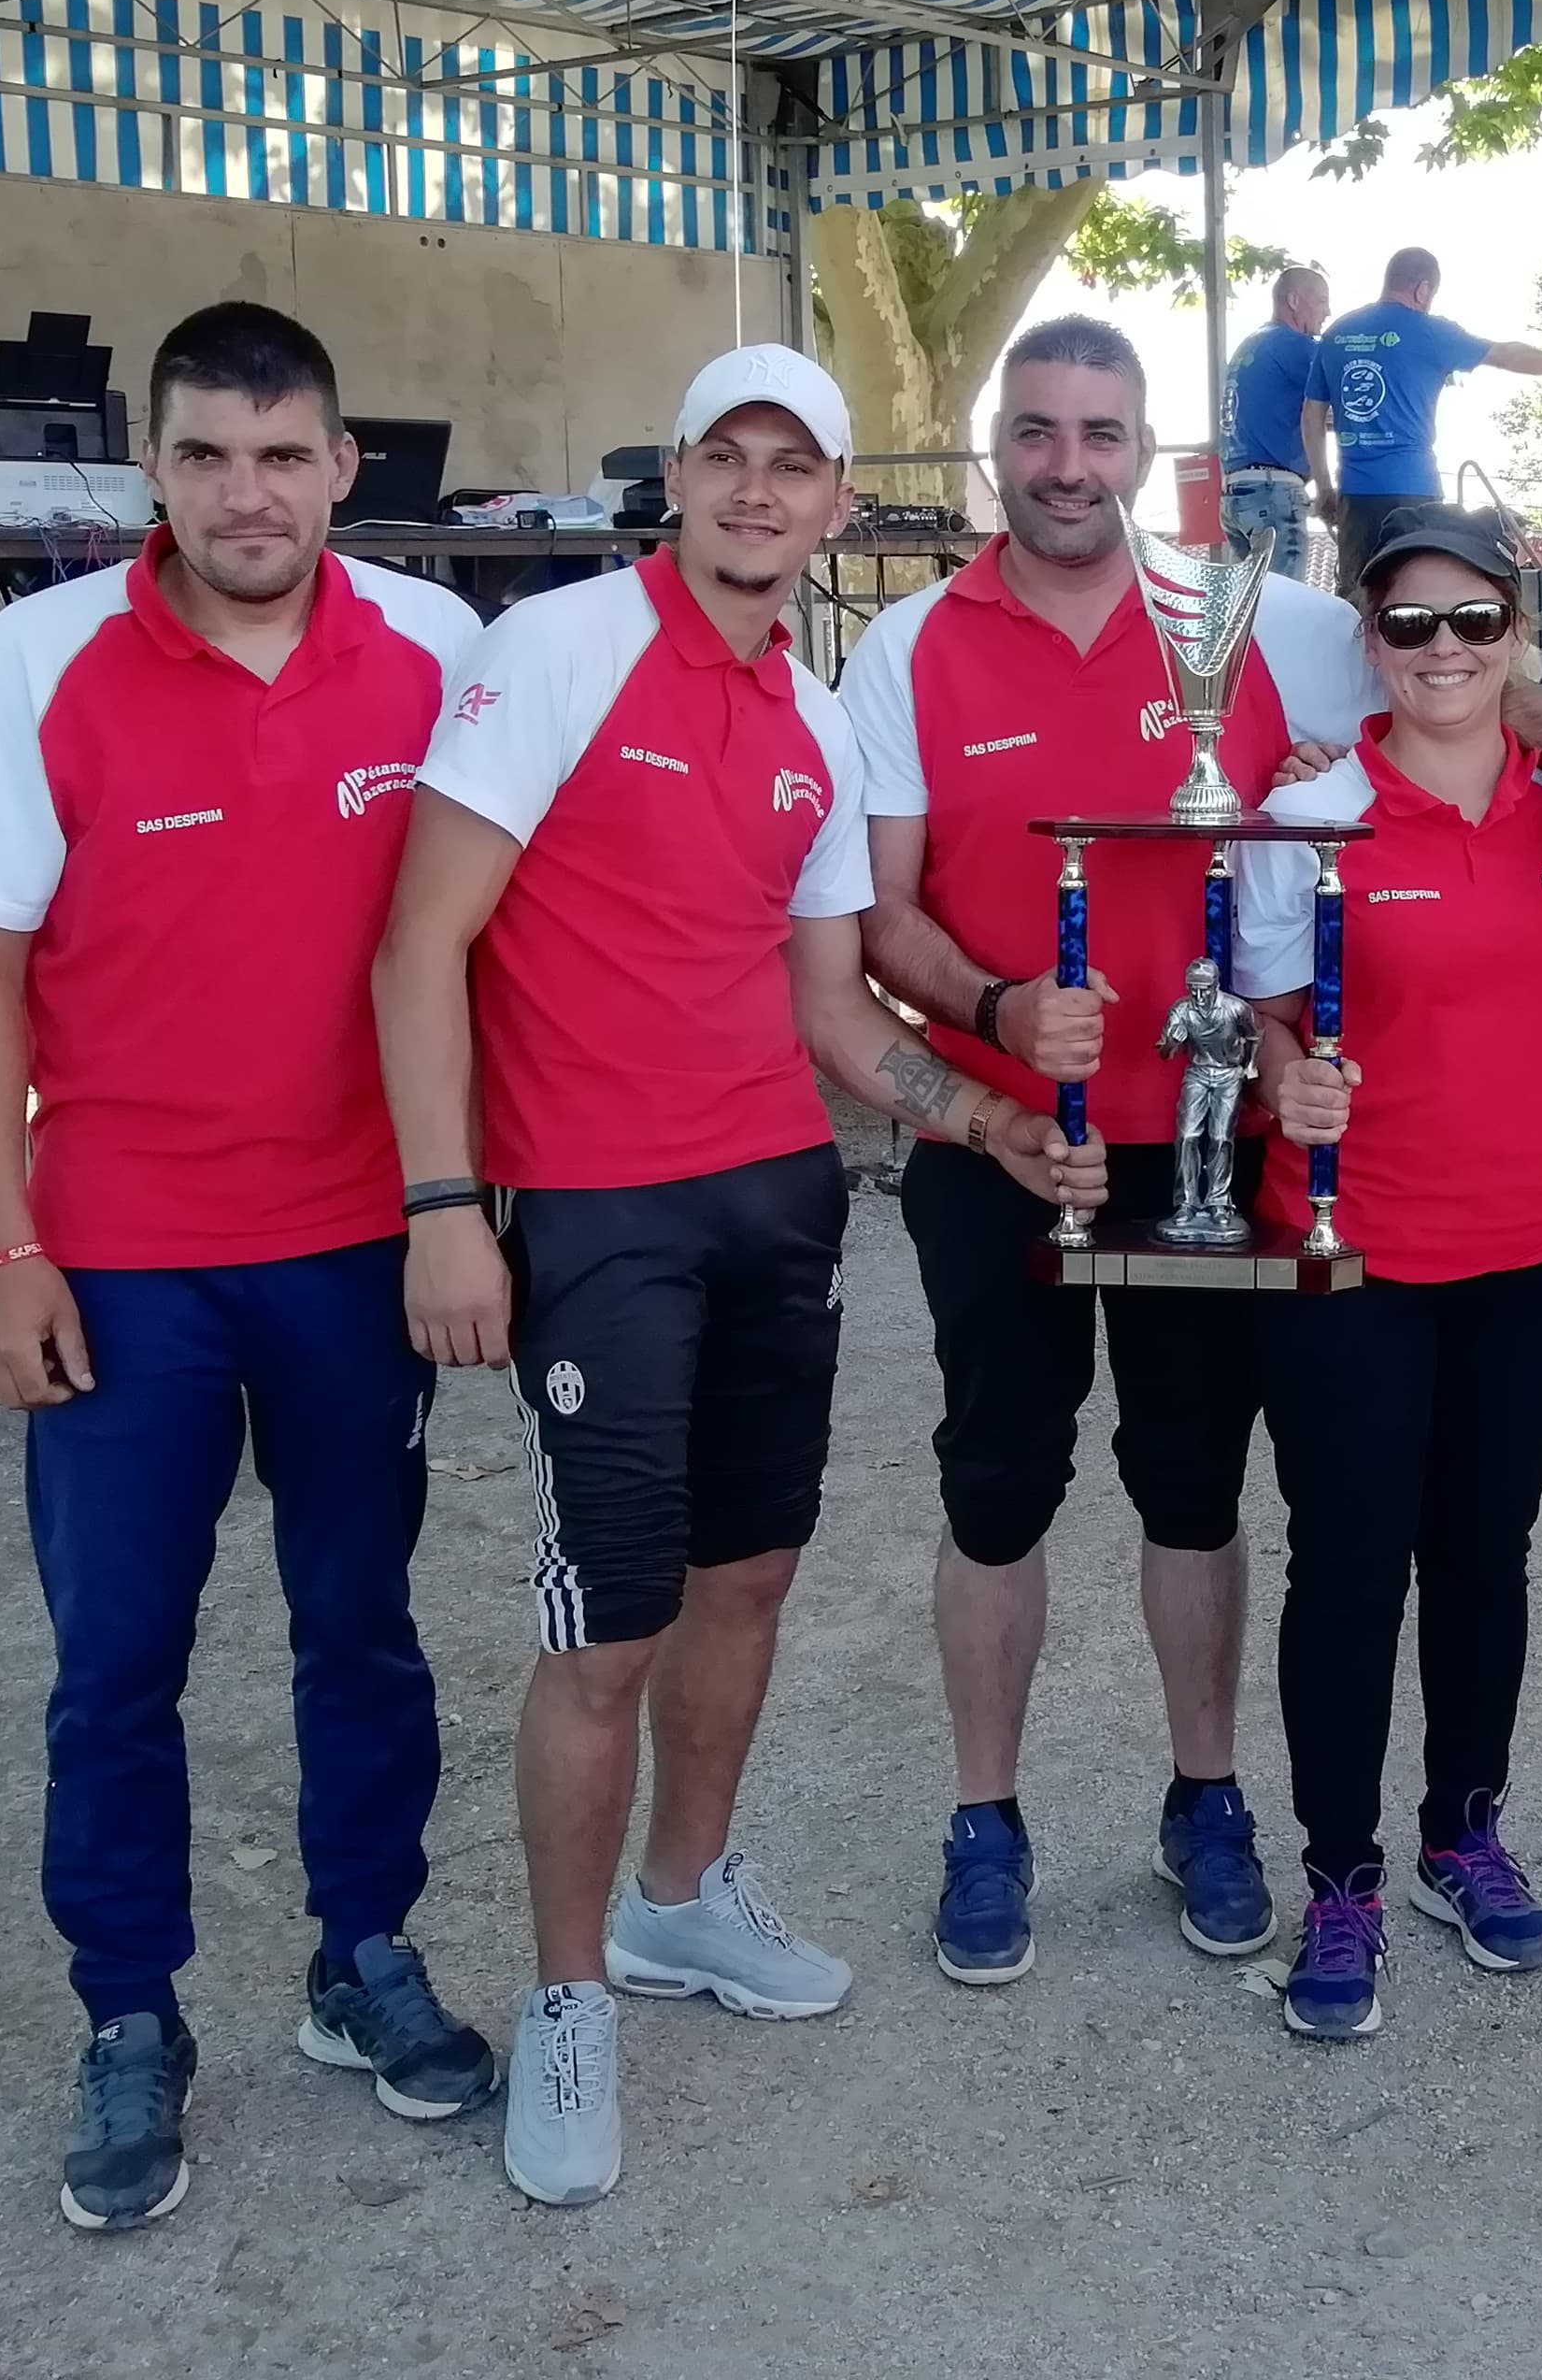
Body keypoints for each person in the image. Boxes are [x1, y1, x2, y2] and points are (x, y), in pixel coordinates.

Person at [839, 315, 1542, 1995]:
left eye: (1103, 432)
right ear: (1003, 446)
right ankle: (985, 1818)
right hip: (1007, 1142)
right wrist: (998, 1023)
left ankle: (1210, 1802)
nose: (1071, 463)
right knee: (998, 1486)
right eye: (1042, 431)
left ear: (1149, 452)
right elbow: (881, 912)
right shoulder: (906, 645)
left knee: (1196, 1488)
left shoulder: (1268, 619)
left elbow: (1467, 675)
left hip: (1217, 1155)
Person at [374, 342, 1106, 2210]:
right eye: (728, 457)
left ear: (839, 503)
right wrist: (446, 1203)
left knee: (750, 1577)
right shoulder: (553, 652)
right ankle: (563, 1999)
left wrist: (987, 1122)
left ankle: (682, 1902)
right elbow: (418, 945)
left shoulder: (819, 713)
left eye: (797, 466)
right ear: (677, 477)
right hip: (595, 1213)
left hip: (773, 1200)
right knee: (605, 1624)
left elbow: (831, 1007)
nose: (760, 492)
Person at [0, 301, 497, 2233]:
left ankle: (362, 1955)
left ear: (341, 468)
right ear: (152, 468)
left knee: (363, 1630)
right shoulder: (42, 656)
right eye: (210, 456)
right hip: (124, 1262)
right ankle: (129, 2013)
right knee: (117, 1665)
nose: (249, 493)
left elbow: (505, 941)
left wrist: (458, 1202)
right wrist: (1, 1248)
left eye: (285, 455)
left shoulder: (440, 651)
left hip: (348, 1253)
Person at [1228, 505, 1542, 2038]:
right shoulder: (1315, 804)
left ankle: (1466, 1833)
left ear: (1519, 636)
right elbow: (1255, 1011)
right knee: (1346, 1563)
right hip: (1351, 1255)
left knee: (1483, 1555)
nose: (1443, 650)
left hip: (1538, 1252)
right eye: (1409, 626)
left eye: (1473, 623)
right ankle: (1340, 1876)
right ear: (1369, 644)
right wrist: (1280, 1080)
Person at [1301, 247, 1542, 586]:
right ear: (1423, 289)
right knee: (1413, 592)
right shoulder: (1430, 332)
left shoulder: (1339, 332)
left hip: (1355, 496)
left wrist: (1325, 487)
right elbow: (1509, 355)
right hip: (1414, 493)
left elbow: (1312, 415)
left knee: (1357, 597)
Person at [1220, 265, 1332, 581]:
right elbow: (1340, 408)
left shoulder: (1252, 344)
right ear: (1294, 301)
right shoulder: (1298, 347)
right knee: (1283, 605)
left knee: (1250, 609)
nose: (1328, 312)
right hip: (1274, 494)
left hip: (1235, 493)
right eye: (1322, 301)